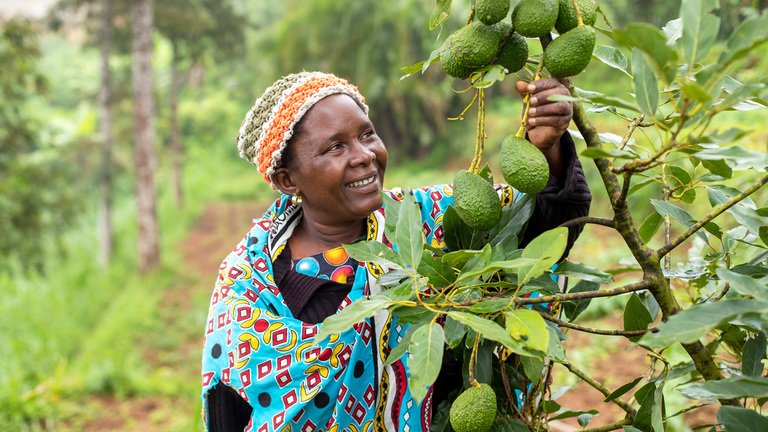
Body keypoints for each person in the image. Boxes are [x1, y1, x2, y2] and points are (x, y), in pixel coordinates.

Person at [200, 72, 591, 432]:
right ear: (288, 180)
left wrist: (548, 150)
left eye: (366, 134)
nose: (364, 155)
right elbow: (225, 408)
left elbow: (535, 233)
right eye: (335, 147)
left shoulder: (425, 220)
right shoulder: (248, 282)